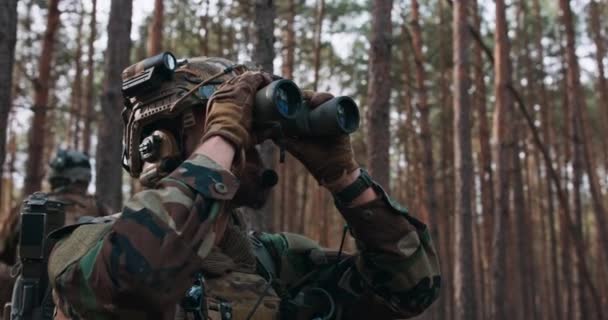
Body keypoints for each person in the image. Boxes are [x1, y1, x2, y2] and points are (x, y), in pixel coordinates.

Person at [47, 56, 441, 320]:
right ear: (163, 138)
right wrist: (223, 138)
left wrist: (347, 180)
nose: (251, 143)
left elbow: (409, 290)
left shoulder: (271, 260)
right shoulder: (85, 246)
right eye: (229, 121)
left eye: (252, 126)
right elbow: (139, 278)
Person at [0, 149, 112, 318]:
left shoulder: (28, 208)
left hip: (25, 307)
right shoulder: (103, 212)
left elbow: (5, 255)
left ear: (56, 175)